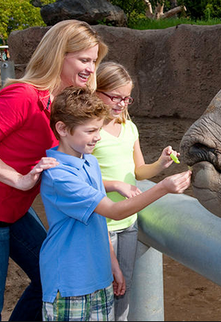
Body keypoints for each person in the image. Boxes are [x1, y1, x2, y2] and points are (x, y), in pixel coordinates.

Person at [0, 19, 108, 321]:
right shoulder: (23, 95)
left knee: (48, 277)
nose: (90, 68)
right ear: (59, 54)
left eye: (94, 61)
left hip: (16, 211)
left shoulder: (62, 103)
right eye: (84, 59)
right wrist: (19, 179)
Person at [39, 86, 191, 321]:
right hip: (70, 282)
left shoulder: (90, 162)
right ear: (62, 129)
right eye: (90, 131)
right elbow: (113, 211)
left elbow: (100, 220)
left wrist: (113, 265)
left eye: (98, 129)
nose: (98, 137)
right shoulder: (59, 176)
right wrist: (163, 188)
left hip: (99, 277)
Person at [92, 61, 181, 320]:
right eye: (115, 97)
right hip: (101, 222)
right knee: (104, 285)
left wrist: (160, 164)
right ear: (97, 90)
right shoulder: (88, 130)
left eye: (127, 99)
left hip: (128, 221)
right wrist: (114, 184)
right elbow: (80, 177)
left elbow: (139, 170)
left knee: (124, 284)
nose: (120, 104)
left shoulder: (130, 128)